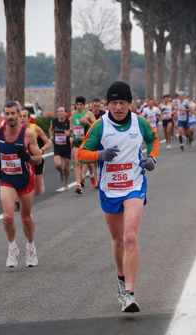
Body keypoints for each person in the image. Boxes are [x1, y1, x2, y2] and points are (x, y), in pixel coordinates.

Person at [78, 81, 159, 312]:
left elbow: (153, 140)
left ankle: (130, 295)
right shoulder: (100, 126)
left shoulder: (139, 122)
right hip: (109, 189)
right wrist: (99, 154)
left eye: (122, 102)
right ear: (108, 105)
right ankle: (121, 281)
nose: (118, 107)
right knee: (118, 240)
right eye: (114, 103)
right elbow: (81, 154)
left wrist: (152, 158)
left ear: (129, 104)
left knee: (131, 237)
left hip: (134, 185)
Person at [0, 101, 42, 267]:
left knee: (26, 218)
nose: (10, 117)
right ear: (3, 115)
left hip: (25, 179)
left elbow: (38, 158)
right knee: (8, 216)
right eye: (7, 114)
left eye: (13, 113)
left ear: (19, 115)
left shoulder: (28, 134)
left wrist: (27, 157)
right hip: (7, 179)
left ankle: (30, 247)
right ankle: (12, 248)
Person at [19, 109, 51, 195]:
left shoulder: (36, 129)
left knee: (37, 192)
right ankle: (20, 200)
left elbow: (48, 143)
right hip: (23, 160)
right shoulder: (16, 130)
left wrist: (41, 150)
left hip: (36, 160)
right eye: (20, 116)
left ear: (29, 118)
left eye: (24, 116)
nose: (22, 118)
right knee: (22, 184)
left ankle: (39, 184)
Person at [69, 96, 97, 194]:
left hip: (86, 141)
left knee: (88, 161)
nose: (79, 106)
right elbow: (71, 127)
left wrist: (87, 123)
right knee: (78, 162)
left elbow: (96, 126)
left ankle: (92, 176)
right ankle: (78, 185)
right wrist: (70, 131)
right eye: (77, 104)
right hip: (76, 140)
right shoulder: (73, 114)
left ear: (84, 106)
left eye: (81, 104)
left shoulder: (88, 114)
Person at [49, 106, 71, 190]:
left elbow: (72, 132)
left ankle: (65, 183)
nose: (60, 112)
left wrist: (69, 134)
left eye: (62, 111)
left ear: (65, 113)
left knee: (66, 167)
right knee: (58, 165)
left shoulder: (68, 122)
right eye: (58, 111)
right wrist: (51, 136)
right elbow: (50, 129)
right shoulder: (54, 121)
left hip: (66, 147)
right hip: (57, 146)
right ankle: (60, 172)